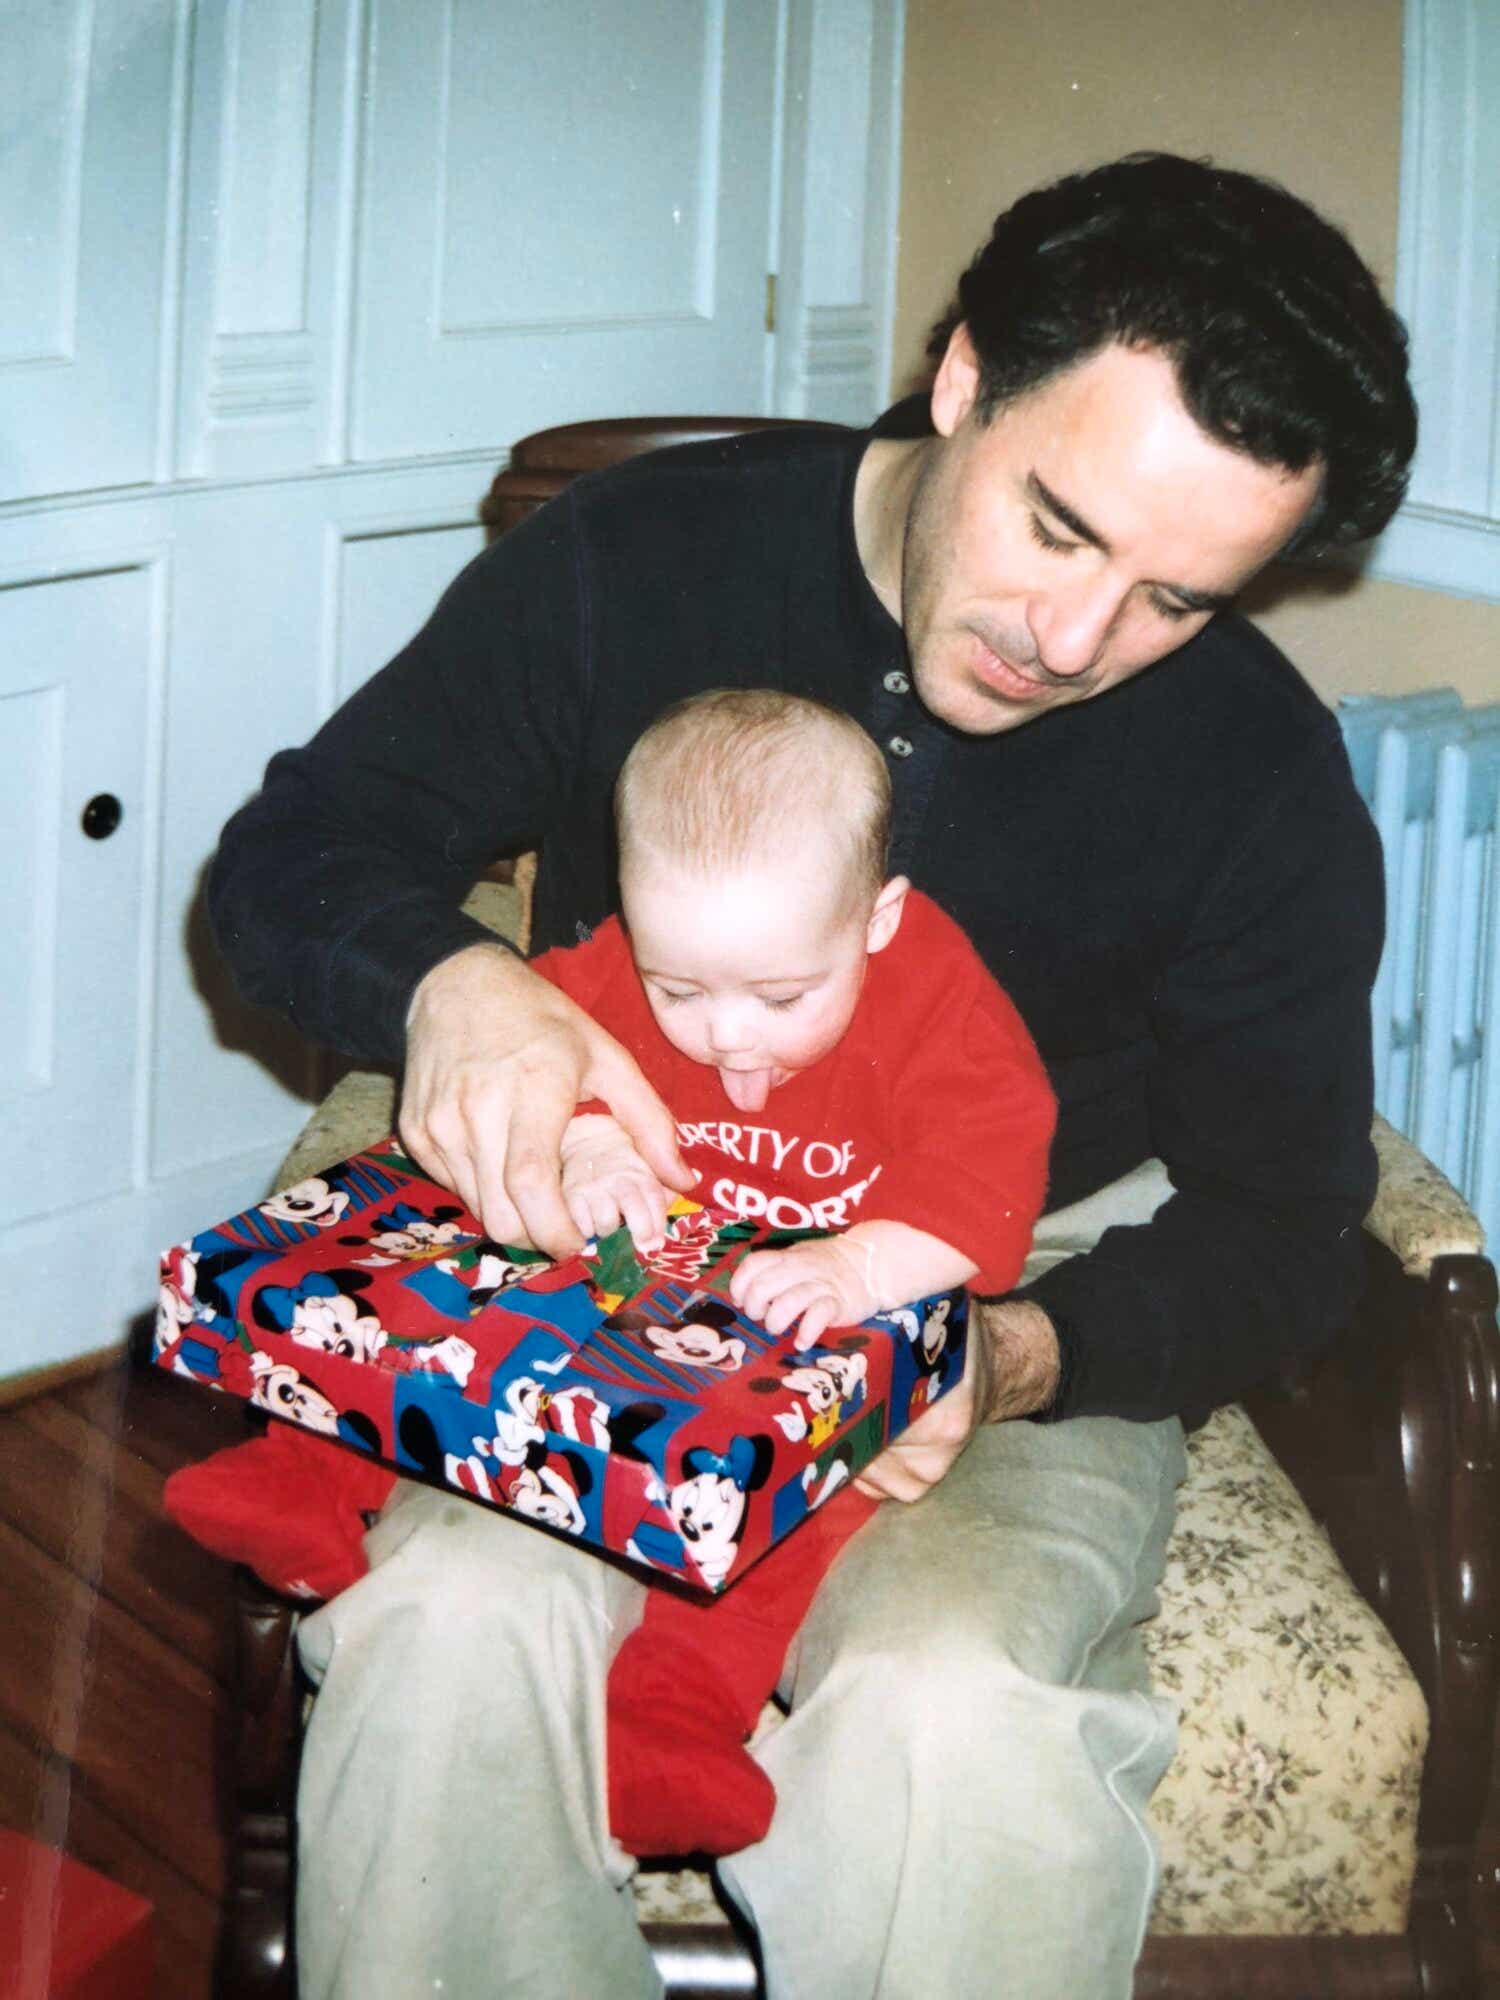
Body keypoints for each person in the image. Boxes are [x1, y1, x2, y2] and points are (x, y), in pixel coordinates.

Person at [209, 152, 1415, 1998]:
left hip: (997, 1272)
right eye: (1061, 528)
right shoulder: (635, 564)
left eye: (1182, 598)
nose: (1074, 643)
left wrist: (1015, 1353)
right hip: (631, 1231)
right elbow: (295, 862)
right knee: (450, 1623)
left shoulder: (1258, 773)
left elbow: (1284, 1224)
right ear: (963, 381)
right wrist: (456, 989)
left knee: (967, 1720)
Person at [533, 688, 1054, 1857]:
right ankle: (310, 1484)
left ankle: (666, 1718)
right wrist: (587, 1130)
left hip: (822, 1318)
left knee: (797, 1509)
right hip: (641, 1294)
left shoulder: (936, 993)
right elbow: (542, 1034)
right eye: (679, 990)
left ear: (876, 920)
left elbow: (991, 1175)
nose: (727, 1036)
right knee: (452, 1303)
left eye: (779, 997)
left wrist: (859, 1261)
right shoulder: (626, 957)